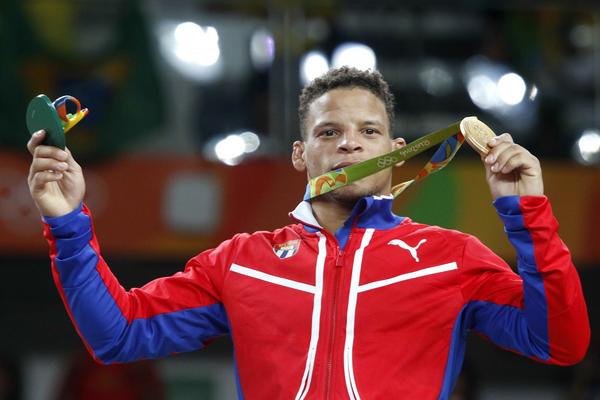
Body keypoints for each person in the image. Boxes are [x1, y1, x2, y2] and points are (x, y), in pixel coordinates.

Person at [27, 67, 590, 399]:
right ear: (301, 154)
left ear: (397, 154)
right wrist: (67, 223)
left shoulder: (448, 259)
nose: (350, 144)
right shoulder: (242, 262)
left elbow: (560, 344)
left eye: (369, 131)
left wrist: (528, 216)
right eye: (330, 131)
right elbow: (117, 334)